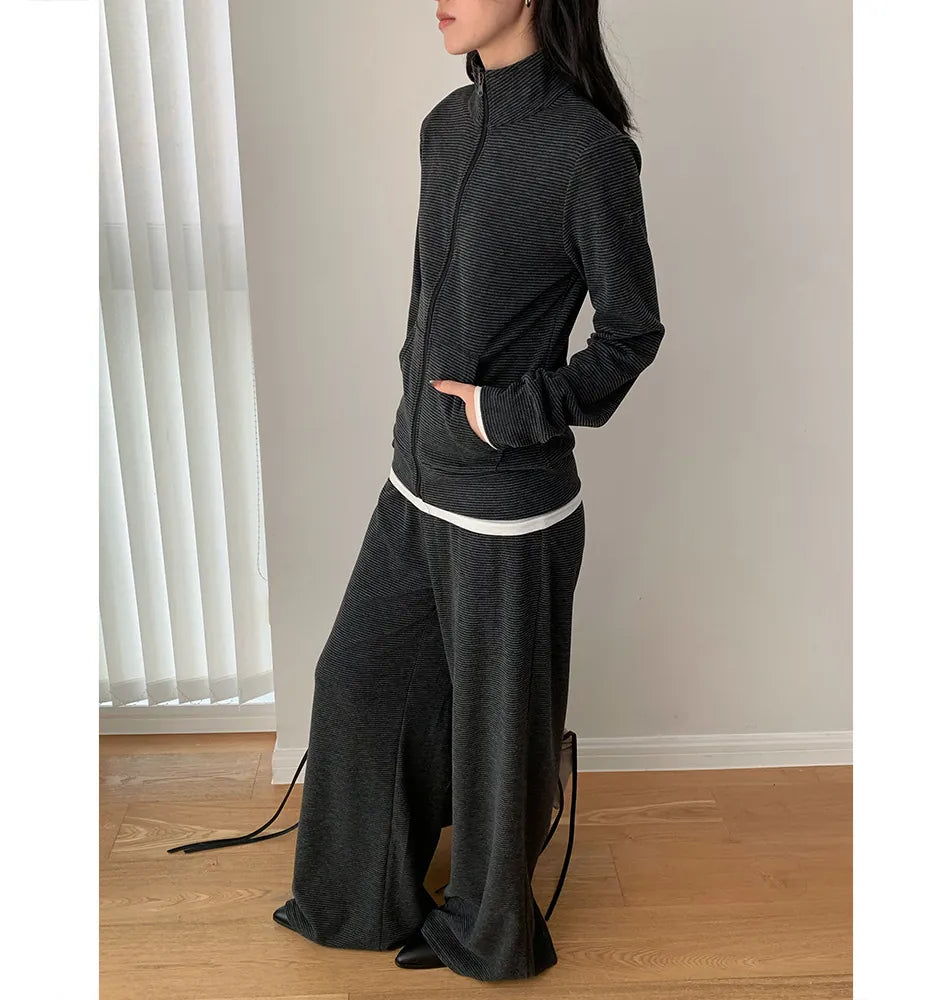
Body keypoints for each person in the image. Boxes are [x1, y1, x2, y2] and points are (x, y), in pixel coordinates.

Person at [253, 0, 662, 984]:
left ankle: (487, 926)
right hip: (416, 478)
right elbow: (431, 304)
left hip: (508, 502)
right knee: (355, 681)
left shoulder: (588, 152)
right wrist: (418, 418)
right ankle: (356, 897)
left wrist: (507, 414)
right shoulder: (443, 127)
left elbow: (630, 332)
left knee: (496, 734)